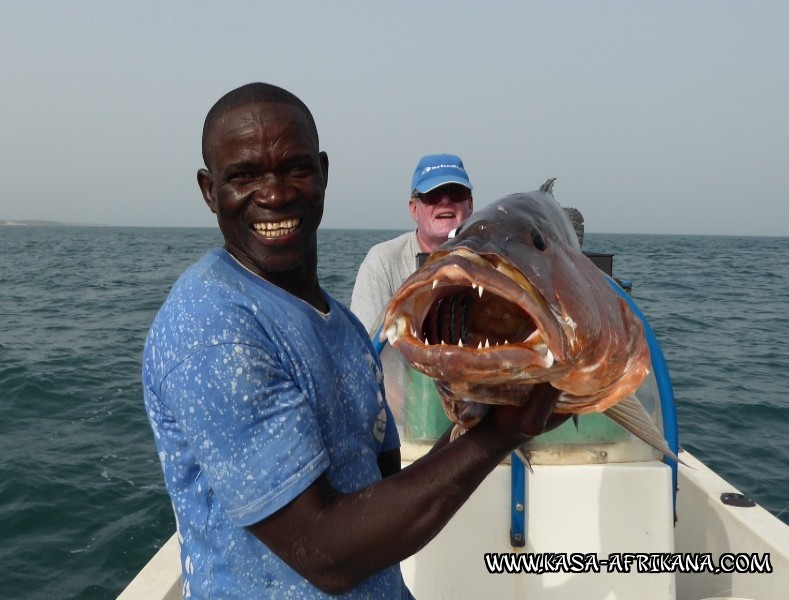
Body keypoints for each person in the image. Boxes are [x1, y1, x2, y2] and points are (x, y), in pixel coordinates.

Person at [143, 82, 564, 599]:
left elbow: (381, 496)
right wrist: (499, 434)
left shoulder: (341, 325)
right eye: (244, 176)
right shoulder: (211, 328)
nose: (274, 194)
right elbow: (326, 554)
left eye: (295, 168)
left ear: (323, 172)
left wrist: (491, 409)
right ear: (210, 191)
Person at [350, 153, 474, 333]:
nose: (445, 201)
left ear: (470, 204)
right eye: (432, 195)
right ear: (414, 209)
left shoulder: (492, 261)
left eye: (455, 192)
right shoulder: (381, 263)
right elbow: (365, 348)